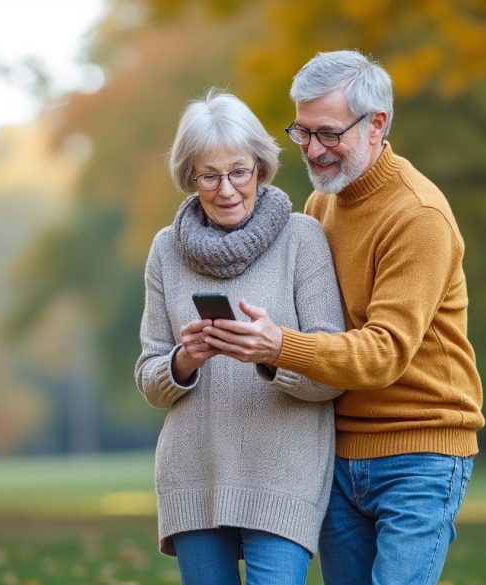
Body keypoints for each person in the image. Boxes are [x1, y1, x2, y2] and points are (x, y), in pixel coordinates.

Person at [201, 50, 486, 584]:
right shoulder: (321, 206)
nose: (313, 149)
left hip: (420, 452)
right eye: (302, 132)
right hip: (335, 453)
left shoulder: (417, 216)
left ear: (377, 124)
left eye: (329, 134)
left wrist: (279, 346)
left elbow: (383, 353)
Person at [134, 88, 346, 585]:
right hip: (193, 478)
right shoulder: (166, 250)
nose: (227, 189)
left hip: (283, 477)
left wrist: (273, 353)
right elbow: (149, 376)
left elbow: (332, 374)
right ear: (189, 177)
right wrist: (184, 361)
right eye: (209, 176)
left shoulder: (302, 239)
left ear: (260, 167)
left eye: (239, 172)